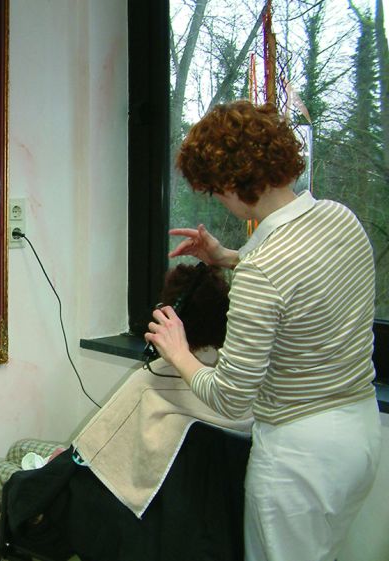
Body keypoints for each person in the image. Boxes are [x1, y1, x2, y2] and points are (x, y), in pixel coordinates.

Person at [145, 100, 381, 561]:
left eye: (215, 191)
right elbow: (302, 281)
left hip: (299, 461)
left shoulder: (264, 271)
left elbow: (231, 397)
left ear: (232, 183)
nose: (217, 201)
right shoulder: (340, 218)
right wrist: (228, 257)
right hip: (358, 435)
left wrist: (178, 351)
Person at [0, 264, 253, 553]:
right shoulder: (234, 386)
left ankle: (10, 521)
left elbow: (97, 457)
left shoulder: (153, 380)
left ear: (166, 317)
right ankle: (7, 518)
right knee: (20, 449)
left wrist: (67, 463)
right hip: (174, 515)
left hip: (104, 507)